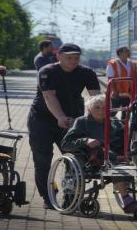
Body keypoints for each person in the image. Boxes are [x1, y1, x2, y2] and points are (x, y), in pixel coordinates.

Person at [62, 95, 137, 214]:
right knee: (117, 168)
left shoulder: (115, 123)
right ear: (89, 109)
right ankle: (127, 202)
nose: (101, 110)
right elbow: (66, 144)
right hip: (94, 158)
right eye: (97, 107)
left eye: (104, 107)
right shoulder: (81, 122)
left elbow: (126, 142)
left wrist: (131, 153)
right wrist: (85, 141)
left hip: (117, 156)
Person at [27, 43, 100, 209]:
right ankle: (48, 196)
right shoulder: (47, 71)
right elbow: (49, 96)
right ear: (58, 56)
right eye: (69, 58)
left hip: (71, 121)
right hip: (41, 119)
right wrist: (60, 116)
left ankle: (70, 196)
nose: (73, 61)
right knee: (42, 159)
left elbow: (97, 98)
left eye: (76, 58)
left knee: (75, 157)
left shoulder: (86, 73)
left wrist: (97, 118)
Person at [106, 46, 137, 119]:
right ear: (120, 53)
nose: (128, 52)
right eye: (126, 51)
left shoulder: (133, 63)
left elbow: (135, 77)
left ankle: (123, 129)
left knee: (126, 115)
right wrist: (114, 91)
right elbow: (110, 79)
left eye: (128, 50)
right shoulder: (112, 64)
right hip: (117, 93)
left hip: (128, 94)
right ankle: (110, 128)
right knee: (112, 113)